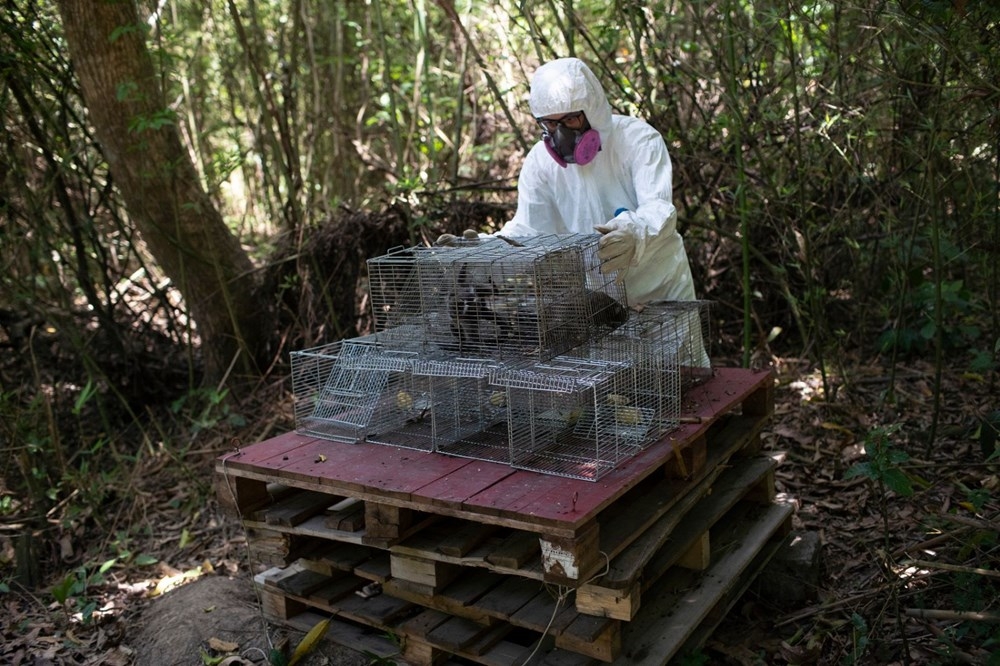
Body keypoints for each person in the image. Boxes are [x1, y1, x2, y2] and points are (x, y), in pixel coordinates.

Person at [495, 56, 697, 307]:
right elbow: (530, 231)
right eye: (551, 123)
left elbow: (659, 208)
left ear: (593, 111)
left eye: (570, 120)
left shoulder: (638, 139)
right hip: (601, 305)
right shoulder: (539, 162)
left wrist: (633, 234)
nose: (562, 134)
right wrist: (481, 250)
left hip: (661, 290)